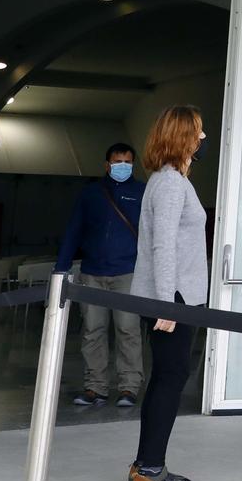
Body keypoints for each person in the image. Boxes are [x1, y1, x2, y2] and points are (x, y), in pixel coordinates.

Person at [127, 105, 209, 481]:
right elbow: (163, 246)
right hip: (173, 300)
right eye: (198, 131)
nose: (203, 138)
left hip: (173, 297)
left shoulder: (164, 180)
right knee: (170, 380)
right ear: (182, 137)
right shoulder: (172, 183)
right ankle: (150, 474)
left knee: (164, 379)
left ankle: (147, 466)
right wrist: (167, 305)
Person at [57, 142, 145, 409]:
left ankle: (129, 388)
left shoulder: (142, 192)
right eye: (117, 163)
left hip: (127, 272)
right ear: (107, 165)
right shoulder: (91, 193)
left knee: (128, 331)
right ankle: (95, 387)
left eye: (127, 163)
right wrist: (60, 268)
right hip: (92, 272)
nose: (122, 167)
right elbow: (74, 230)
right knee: (92, 331)